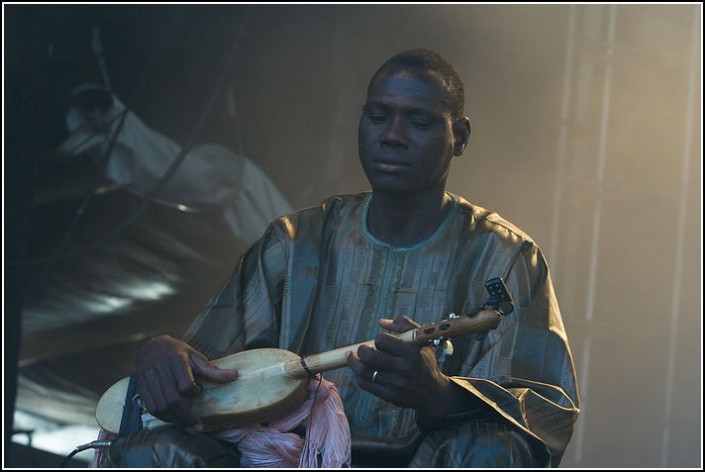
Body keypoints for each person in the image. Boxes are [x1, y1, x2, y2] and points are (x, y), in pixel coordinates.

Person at [106, 48, 580, 468]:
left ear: (459, 136)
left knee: (491, 450)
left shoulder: (506, 256)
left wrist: (438, 397)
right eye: (378, 116)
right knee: (153, 451)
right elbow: (210, 372)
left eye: (417, 122)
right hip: (285, 461)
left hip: (423, 461)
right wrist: (164, 354)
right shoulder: (294, 242)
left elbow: (546, 411)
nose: (392, 135)